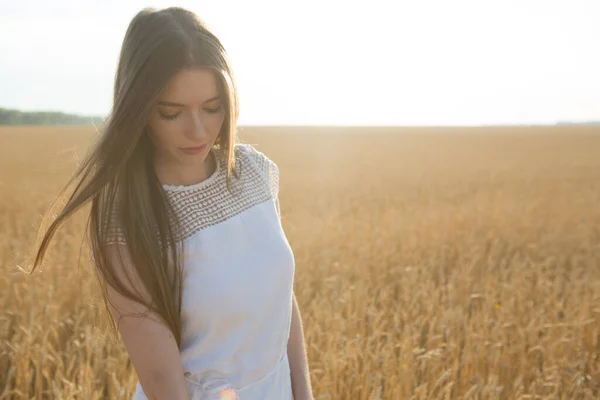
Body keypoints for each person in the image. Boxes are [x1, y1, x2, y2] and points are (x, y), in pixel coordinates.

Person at [30, 6, 313, 400]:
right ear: (139, 109)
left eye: (212, 107)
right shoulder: (126, 219)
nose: (197, 130)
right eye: (171, 112)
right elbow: (163, 382)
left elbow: (281, 301)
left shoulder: (252, 171)